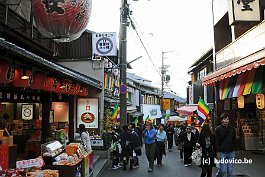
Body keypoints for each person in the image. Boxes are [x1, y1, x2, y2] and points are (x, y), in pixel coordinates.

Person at [215, 113, 236, 177]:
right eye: (224, 119)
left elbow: (234, 139)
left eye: (227, 119)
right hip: (222, 152)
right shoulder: (218, 129)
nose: (226, 120)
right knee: (223, 170)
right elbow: (216, 141)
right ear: (221, 120)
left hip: (231, 152)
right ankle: (218, 175)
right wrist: (217, 152)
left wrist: (234, 149)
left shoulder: (232, 129)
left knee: (230, 171)